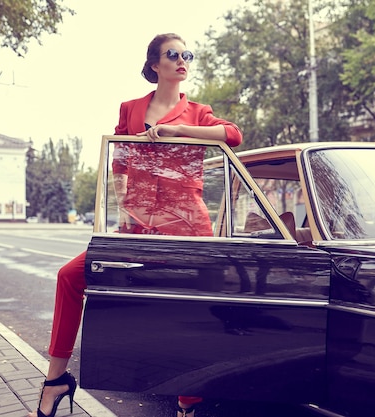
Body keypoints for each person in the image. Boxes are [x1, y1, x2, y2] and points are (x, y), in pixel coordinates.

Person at [29, 33, 242, 417]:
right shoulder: (130, 109)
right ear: (155, 65)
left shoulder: (197, 112)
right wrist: (124, 202)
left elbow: (232, 135)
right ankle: (55, 380)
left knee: (188, 307)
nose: (182, 60)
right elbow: (120, 162)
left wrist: (180, 131)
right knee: (70, 276)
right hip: (139, 224)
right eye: (173, 54)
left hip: (188, 225)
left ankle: (187, 402)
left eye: (187, 55)